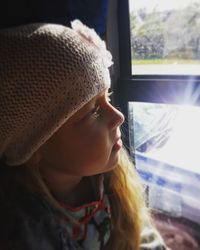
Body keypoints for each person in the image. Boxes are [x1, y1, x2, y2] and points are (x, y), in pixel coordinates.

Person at [0, 20, 169, 250]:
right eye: (92, 113)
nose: (119, 116)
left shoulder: (112, 178)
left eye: (107, 97)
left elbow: (144, 236)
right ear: (33, 147)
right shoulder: (20, 231)